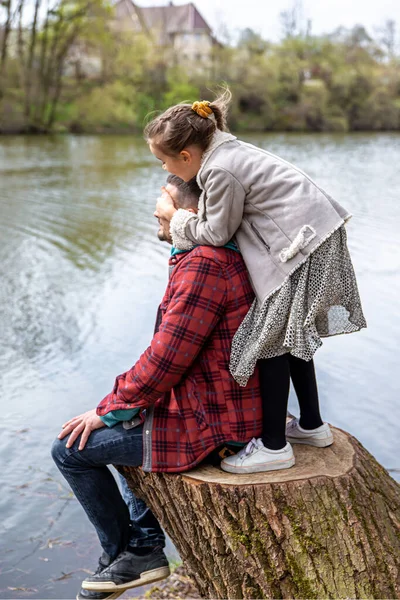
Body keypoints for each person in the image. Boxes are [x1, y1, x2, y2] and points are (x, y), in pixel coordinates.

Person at [51, 174, 263, 600]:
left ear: (189, 211)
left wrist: (107, 409)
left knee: (71, 451)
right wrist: (122, 406)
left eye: (162, 197)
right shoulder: (204, 257)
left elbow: (165, 361)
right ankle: (143, 545)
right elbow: (168, 357)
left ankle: (127, 557)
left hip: (215, 423)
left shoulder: (204, 264)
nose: (153, 208)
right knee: (125, 423)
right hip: (215, 406)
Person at [145, 90, 367, 475]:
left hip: (304, 245)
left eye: (163, 161)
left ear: (186, 156)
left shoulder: (219, 169)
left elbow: (216, 231)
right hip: (315, 238)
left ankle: (274, 445)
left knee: (269, 339)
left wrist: (175, 217)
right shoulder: (226, 154)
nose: (163, 169)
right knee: (289, 333)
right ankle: (312, 425)